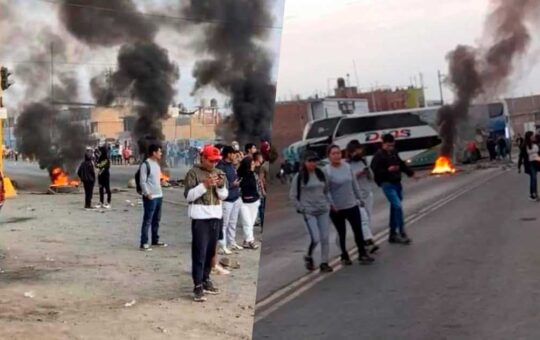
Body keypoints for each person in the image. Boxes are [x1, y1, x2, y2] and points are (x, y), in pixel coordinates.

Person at [184, 145, 229, 302]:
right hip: (200, 217)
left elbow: (224, 196)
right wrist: (204, 186)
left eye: (216, 161)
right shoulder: (193, 173)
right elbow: (189, 196)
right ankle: (197, 285)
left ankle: (206, 278)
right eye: (211, 161)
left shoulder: (219, 173)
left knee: (210, 252)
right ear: (203, 158)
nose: (213, 164)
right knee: (199, 252)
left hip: (215, 215)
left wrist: (221, 186)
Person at [324, 145, 375, 265]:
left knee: (358, 230)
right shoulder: (326, 170)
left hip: (351, 204)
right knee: (341, 232)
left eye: (338, 153)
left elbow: (354, 183)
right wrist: (332, 204)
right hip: (337, 208)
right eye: (334, 154)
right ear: (329, 156)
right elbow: (326, 190)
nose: (337, 156)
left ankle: (362, 254)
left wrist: (359, 198)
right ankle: (344, 255)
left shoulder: (347, 167)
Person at [290, 150, 333, 273]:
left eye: (315, 161)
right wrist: (301, 208)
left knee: (325, 237)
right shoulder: (299, 177)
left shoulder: (321, 173)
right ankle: (308, 255)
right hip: (309, 211)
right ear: (304, 162)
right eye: (310, 161)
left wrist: (328, 202)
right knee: (315, 238)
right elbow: (293, 195)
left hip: (323, 209)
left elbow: (327, 189)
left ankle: (324, 262)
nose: (313, 163)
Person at [370, 134, 416, 245]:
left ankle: (392, 234)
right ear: (383, 144)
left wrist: (411, 173)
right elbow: (375, 170)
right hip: (387, 183)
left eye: (392, 145)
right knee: (397, 206)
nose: (391, 147)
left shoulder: (394, 152)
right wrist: (387, 170)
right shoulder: (378, 156)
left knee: (394, 208)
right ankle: (401, 232)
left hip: (396, 182)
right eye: (388, 145)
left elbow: (401, 164)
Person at [346, 141, 379, 254]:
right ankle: (369, 241)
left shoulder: (363, 161)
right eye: (355, 151)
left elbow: (372, 177)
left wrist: (367, 170)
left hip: (367, 193)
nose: (358, 153)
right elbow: (348, 180)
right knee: (363, 219)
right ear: (350, 152)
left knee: (367, 219)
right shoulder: (347, 165)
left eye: (359, 150)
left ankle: (364, 242)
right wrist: (358, 174)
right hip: (356, 196)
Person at [139, 144, 167, 251]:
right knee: (148, 220)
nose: (161, 153)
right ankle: (144, 242)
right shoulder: (145, 164)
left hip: (159, 195)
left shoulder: (156, 164)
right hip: (151, 197)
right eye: (159, 151)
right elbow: (143, 181)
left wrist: (162, 181)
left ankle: (155, 240)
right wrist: (147, 193)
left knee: (156, 220)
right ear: (154, 153)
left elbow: (156, 178)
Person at [216, 146, 244, 254]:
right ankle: (222, 246)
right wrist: (233, 184)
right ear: (228, 154)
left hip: (235, 197)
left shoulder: (231, 165)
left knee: (233, 222)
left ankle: (231, 242)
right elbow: (220, 185)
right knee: (224, 224)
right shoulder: (221, 167)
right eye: (233, 153)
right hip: (227, 199)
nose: (235, 155)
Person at [237, 156, 261, 249]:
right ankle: (251, 241)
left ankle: (246, 240)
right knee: (246, 222)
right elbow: (238, 187)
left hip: (254, 202)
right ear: (248, 164)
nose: (254, 164)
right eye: (252, 163)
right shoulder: (241, 176)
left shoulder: (254, 174)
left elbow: (257, 187)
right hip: (243, 202)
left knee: (250, 223)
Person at [522, 131, 540, 201]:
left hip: (536, 162)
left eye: (534, 136)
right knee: (534, 178)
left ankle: (533, 194)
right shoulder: (525, 145)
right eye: (532, 136)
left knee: (534, 179)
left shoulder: (535, 144)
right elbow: (522, 156)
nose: (533, 137)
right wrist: (519, 166)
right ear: (529, 137)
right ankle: (533, 194)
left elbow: (537, 155)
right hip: (530, 163)